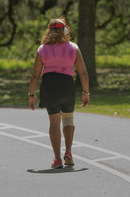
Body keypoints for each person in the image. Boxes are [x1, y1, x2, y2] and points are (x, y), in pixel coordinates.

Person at [28, 17, 90, 169]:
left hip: (50, 85)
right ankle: (68, 152)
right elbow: (83, 72)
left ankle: (57, 159)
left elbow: (35, 75)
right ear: (65, 31)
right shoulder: (73, 47)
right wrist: (86, 92)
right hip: (67, 85)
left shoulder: (42, 49)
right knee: (68, 119)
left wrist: (31, 95)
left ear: (49, 31)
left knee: (54, 121)